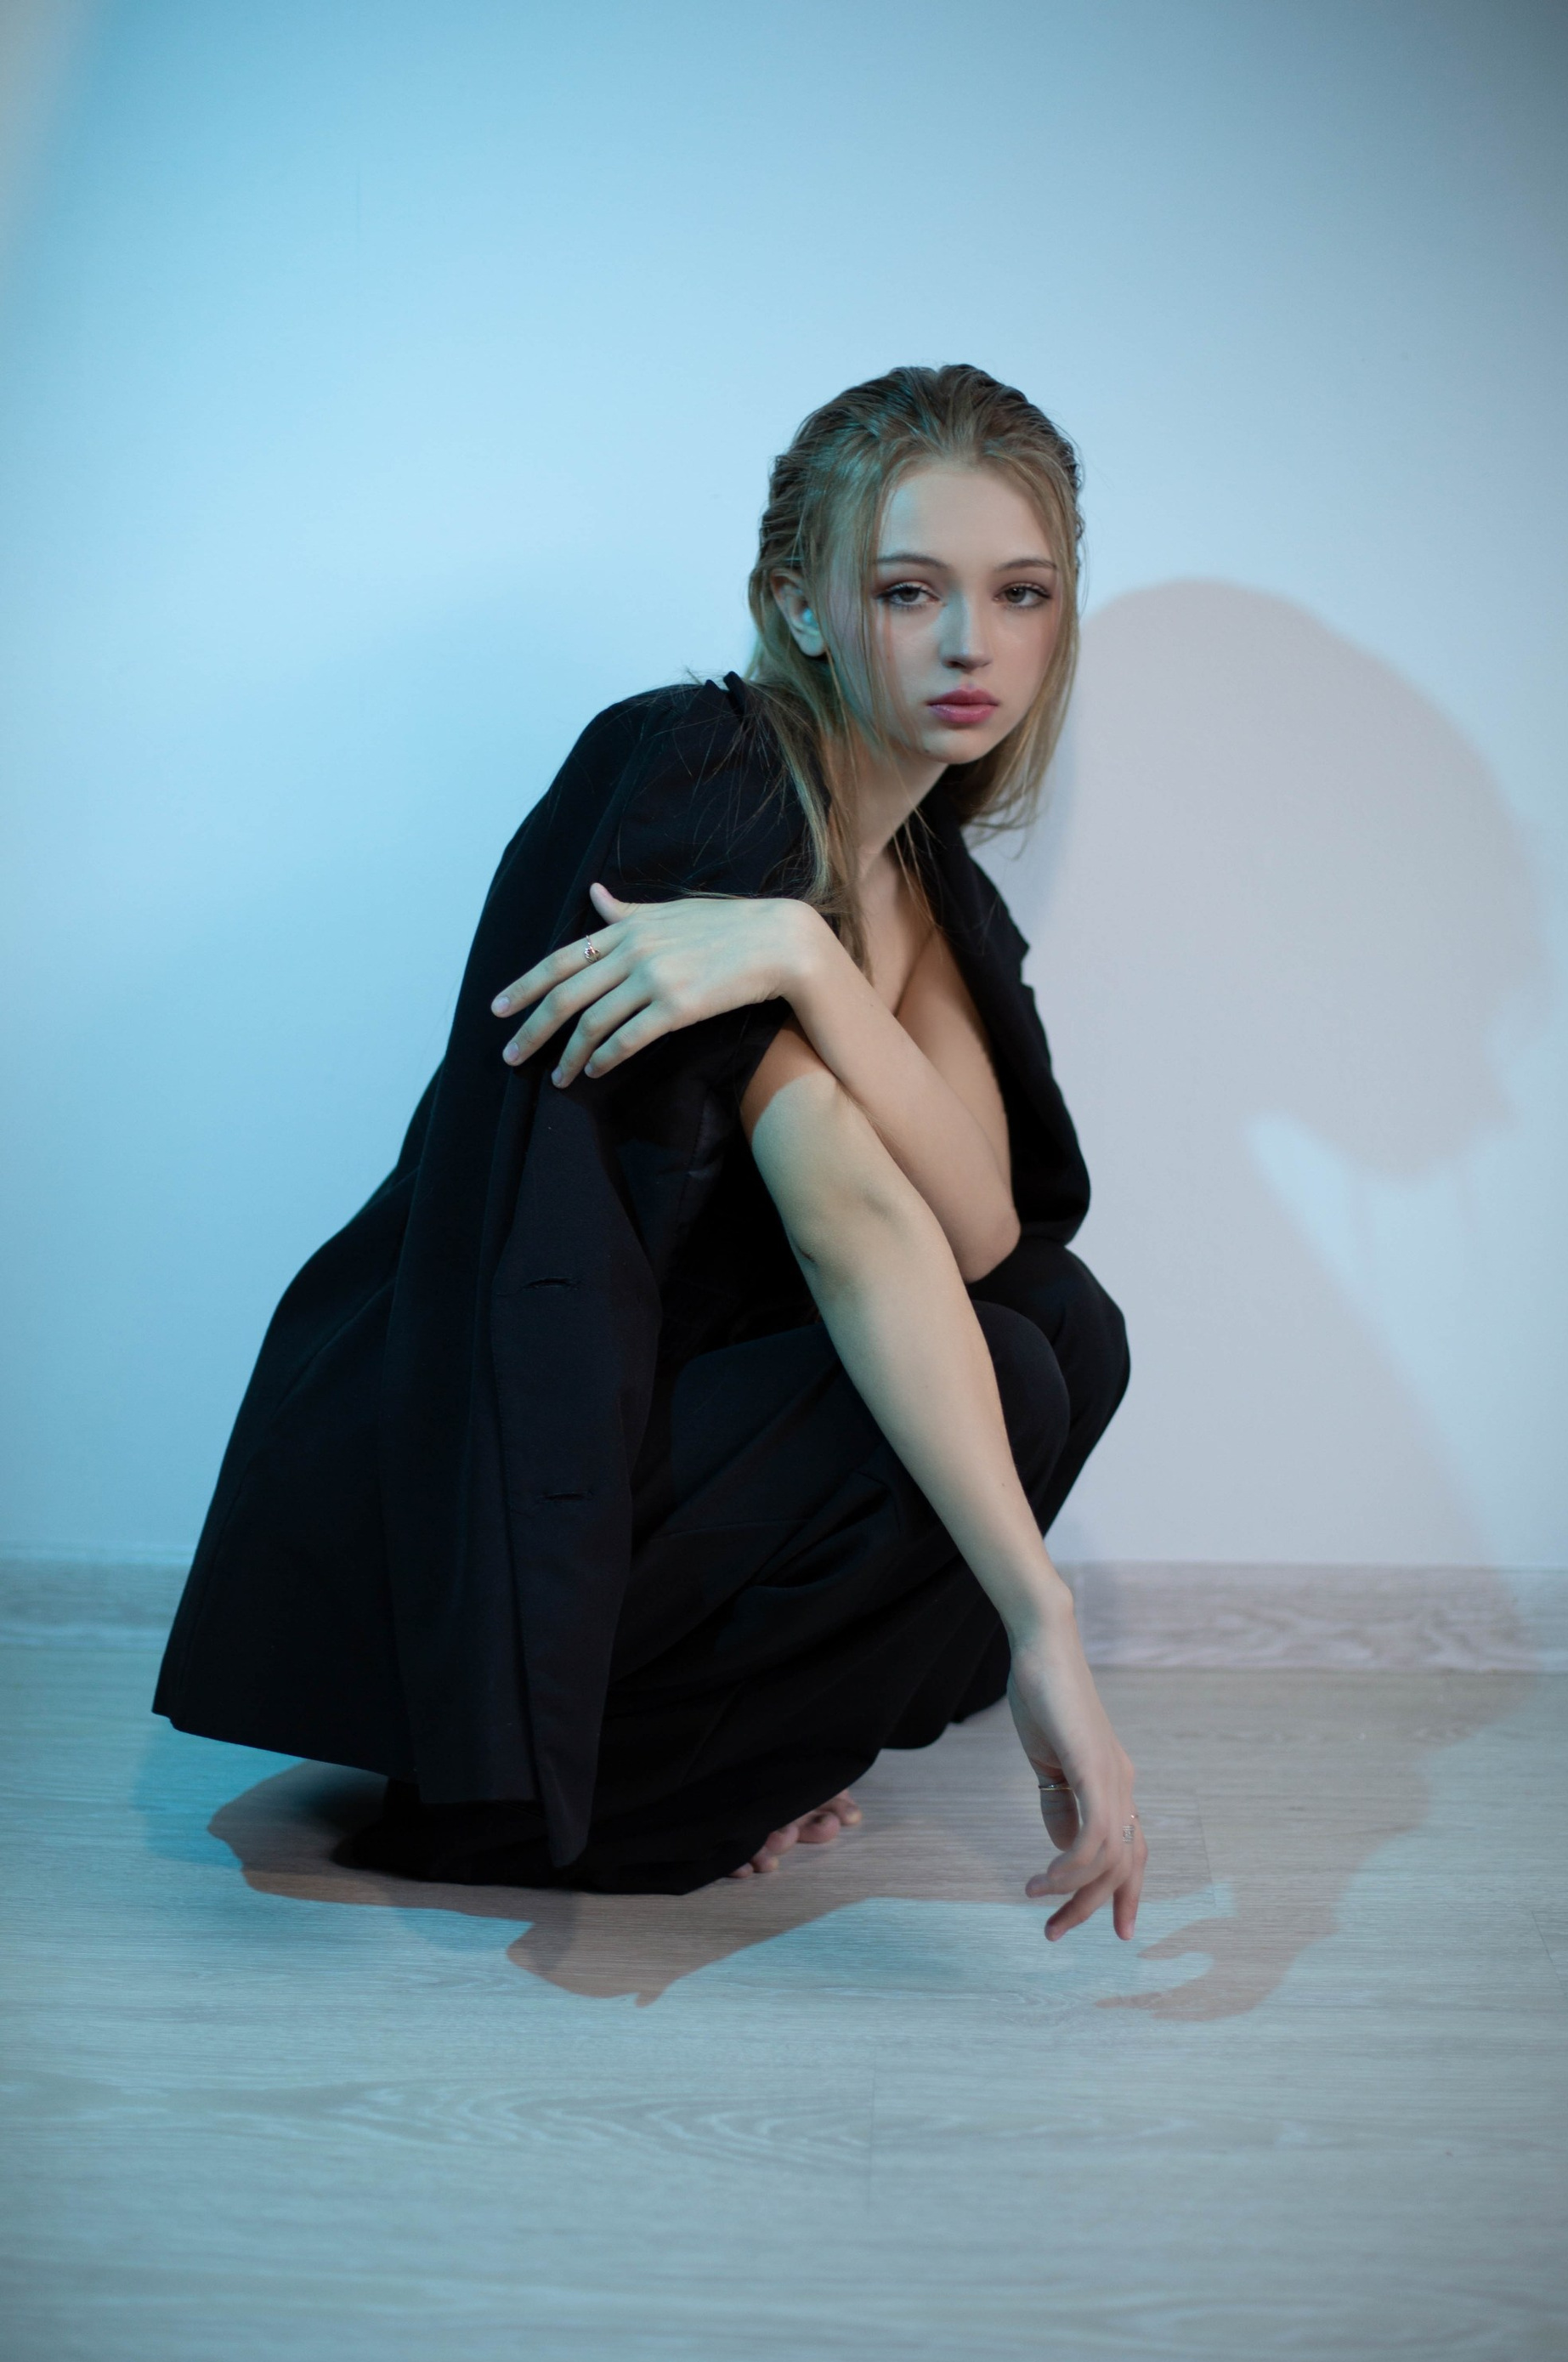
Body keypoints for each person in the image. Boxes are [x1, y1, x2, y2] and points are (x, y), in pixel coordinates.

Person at [154, 364, 1143, 1945]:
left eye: (1021, 593)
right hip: (498, 1456)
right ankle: (584, 1805)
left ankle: (722, 1756)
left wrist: (810, 963)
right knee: (1011, 1378)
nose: (973, 642)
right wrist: (1047, 1622)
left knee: (1064, 1324)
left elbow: (978, 1229)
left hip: (646, 1426)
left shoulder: (921, 875)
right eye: (910, 589)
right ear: (801, 604)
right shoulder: (702, 772)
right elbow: (852, 1219)